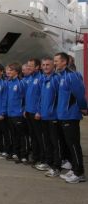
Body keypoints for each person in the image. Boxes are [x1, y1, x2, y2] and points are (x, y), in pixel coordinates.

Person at [54, 52, 87, 183]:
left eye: (56, 61)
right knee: (69, 145)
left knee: (73, 145)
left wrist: (84, 108)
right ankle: (74, 168)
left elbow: (80, 94)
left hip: (70, 116)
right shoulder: (62, 76)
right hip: (63, 115)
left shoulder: (71, 76)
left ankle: (80, 173)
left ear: (64, 62)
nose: (54, 63)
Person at [39, 57, 61, 177]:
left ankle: (56, 167)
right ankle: (49, 162)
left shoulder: (56, 79)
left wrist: (55, 112)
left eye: (48, 65)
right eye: (44, 65)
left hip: (53, 117)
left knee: (55, 143)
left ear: (53, 66)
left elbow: (60, 98)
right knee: (46, 141)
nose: (46, 67)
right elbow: (41, 98)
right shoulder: (44, 79)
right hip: (44, 116)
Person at [6, 63, 29, 164]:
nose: (8, 72)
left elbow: (26, 98)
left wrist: (24, 110)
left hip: (18, 114)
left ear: (16, 71)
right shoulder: (9, 82)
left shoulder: (21, 82)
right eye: (7, 70)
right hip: (10, 114)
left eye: (10, 70)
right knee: (14, 135)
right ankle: (16, 153)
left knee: (22, 136)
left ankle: (24, 155)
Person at [24, 58, 44, 166]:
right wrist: (26, 109)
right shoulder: (30, 78)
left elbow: (42, 96)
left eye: (30, 66)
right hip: (29, 111)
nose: (28, 68)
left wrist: (39, 111)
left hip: (36, 113)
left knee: (39, 137)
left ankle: (43, 158)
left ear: (37, 67)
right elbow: (28, 96)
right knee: (33, 136)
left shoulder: (41, 78)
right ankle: (35, 157)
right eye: (28, 66)